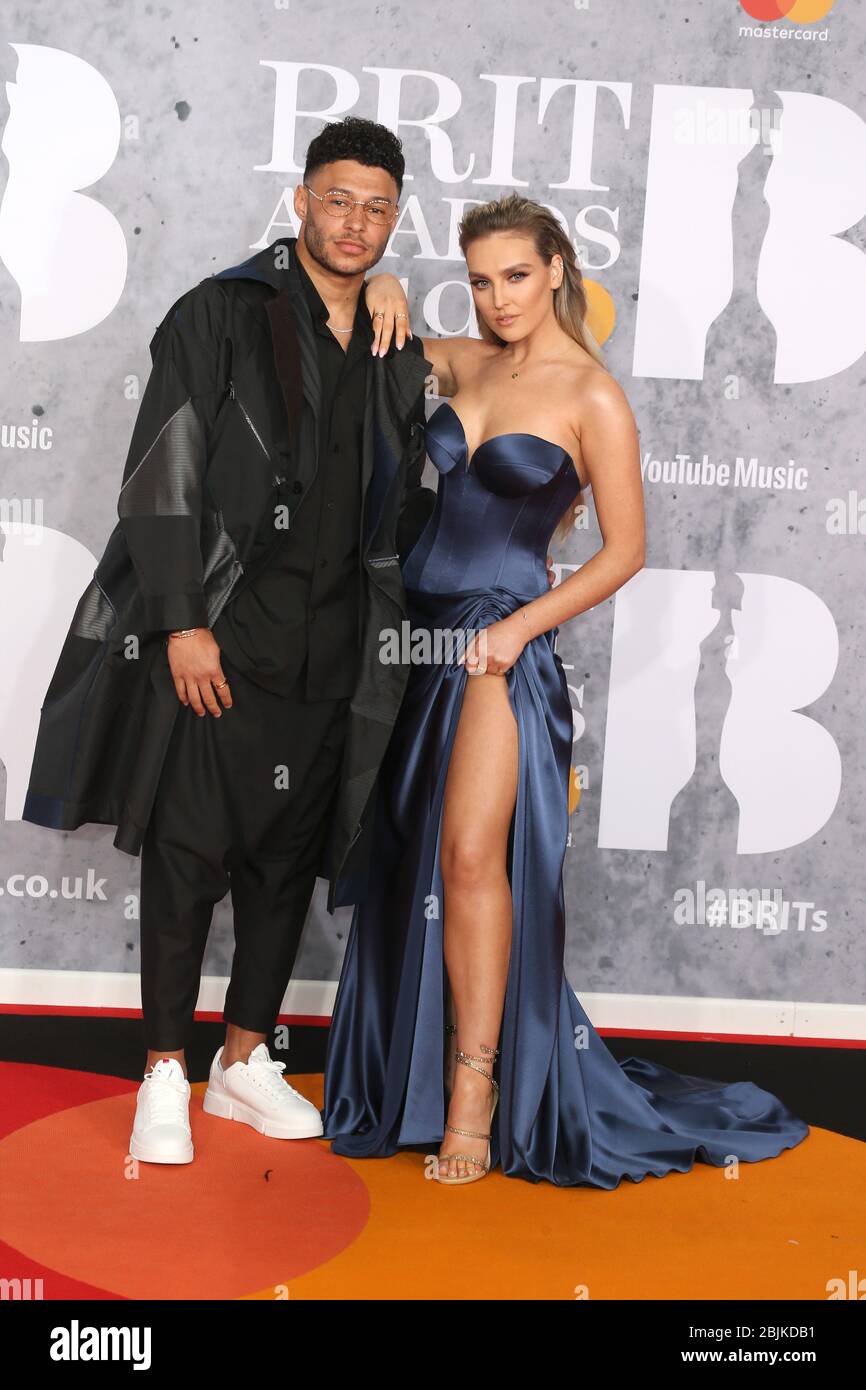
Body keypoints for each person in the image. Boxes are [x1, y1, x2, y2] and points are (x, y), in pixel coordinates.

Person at [321, 192, 811, 1187]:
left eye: (514, 274)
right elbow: (374, 345)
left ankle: (471, 1093)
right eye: (479, 279)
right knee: (406, 861)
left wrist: (514, 630)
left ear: (555, 270)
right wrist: (375, 280)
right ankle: (409, 1076)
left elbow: (625, 549)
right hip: (412, 646)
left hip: (499, 650)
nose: (497, 298)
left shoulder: (591, 396)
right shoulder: (464, 361)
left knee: (467, 859)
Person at [22, 116, 441, 1163]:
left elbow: (403, 503)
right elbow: (162, 472)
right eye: (338, 198)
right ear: (300, 200)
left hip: (338, 654)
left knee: (284, 863)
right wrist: (180, 622)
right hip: (224, 639)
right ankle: (163, 1068)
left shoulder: (397, 347)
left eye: (378, 206)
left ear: (396, 219)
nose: (356, 222)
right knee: (187, 855)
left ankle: (241, 1060)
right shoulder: (217, 314)